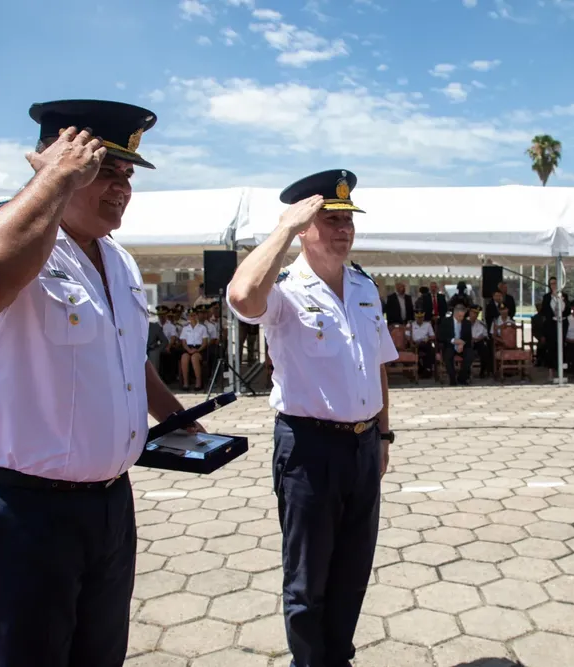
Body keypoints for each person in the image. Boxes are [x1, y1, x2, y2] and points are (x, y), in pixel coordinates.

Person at [0, 99, 201, 667]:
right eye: (103, 169)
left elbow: (128, 357)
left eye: (128, 174)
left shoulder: (117, 259)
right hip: (17, 509)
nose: (121, 186)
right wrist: (54, 181)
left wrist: (178, 419)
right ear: (52, 162)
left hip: (107, 505)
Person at [226, 169, 398, 667]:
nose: (344, 230)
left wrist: (384, 435)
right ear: (303, 227)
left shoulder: (365, 287)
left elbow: (378, 366)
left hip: (363, 446)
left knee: (352, 569)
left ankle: (338, 657)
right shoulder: (283, 289)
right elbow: (242, 297)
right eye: (330, 220)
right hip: (308, 449)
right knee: (307, 579)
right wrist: (282, 229)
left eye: (348, 220)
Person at [440, 304, 474, 385]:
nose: (461, 318)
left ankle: (462, 378)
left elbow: (468, 338)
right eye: (459, 316)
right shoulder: (446, 321)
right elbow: (440, 336)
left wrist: (462, 343)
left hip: (462, 346)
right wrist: (453, 340)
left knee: (470, 355)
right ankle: (452, 379)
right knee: (448, 356)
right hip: (450, 345)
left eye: (463, 316)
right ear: (454, 314)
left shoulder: (467, 323)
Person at [179, 306, 209, 391]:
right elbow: (184, 342)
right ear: (188, 317)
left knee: (194, 357)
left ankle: (198, 382)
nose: (192, 317)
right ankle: (186, 383)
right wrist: (189, 350)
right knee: (184, 357)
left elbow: (205, 342)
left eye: (194, 315)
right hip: (188, 348)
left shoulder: (202, 327)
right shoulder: (185, 328)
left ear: (197, 316)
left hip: (199, 348)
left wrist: (197, 350)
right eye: (190, 315)